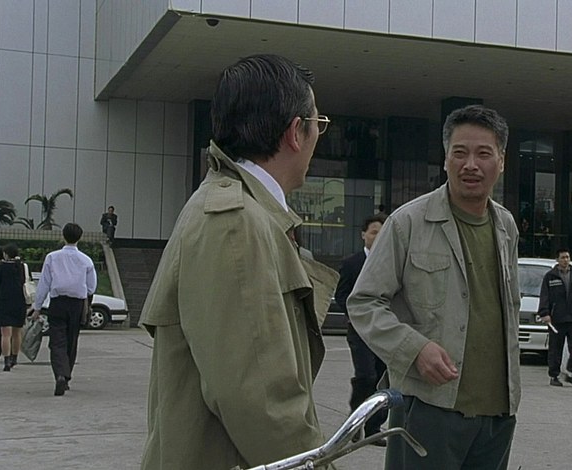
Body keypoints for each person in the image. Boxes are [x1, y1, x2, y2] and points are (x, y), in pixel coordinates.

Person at [138, 54, 338, 470]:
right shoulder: (235, 222)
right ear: (295, 133)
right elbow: (261, 401)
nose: (317, 136)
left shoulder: (244, 211)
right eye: (317, 123)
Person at [348, 105, 521, 470]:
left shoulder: (506, 226)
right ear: (445, 159)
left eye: (483, 154)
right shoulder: (407, 223)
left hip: (497, 414)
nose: (470, 164)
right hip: (429, 407)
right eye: (459, 153)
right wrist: (415, 349)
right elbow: (364, 302)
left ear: (501, 161)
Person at [334, 213, 388, 445]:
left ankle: (374, 427)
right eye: (374, 232)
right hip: (359, 330)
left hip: (385, 330)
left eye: (382, 233)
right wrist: (354, 315)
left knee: (382, 378)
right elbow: (341, 294)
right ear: (363, 234)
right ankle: (354, 421)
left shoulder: (391, 261)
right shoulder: (351, 263)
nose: (378, 237)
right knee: (366, 375)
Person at [29, 224, 97, 394]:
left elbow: (44, 284)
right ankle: (66, 377)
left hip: (58, 302)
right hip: (77, 304)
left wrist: (37, 307)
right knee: (72, 340)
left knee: (57, 341)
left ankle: (60, 373)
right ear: (80, 237)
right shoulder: (86, 260)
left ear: (63, 236)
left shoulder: (52, 257)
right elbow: (91, 287)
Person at [537, 248, 572, 387]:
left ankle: (570, 373)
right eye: (563, 257)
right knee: (555, 349)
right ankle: (554, 376)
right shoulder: (550, 276)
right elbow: (544, 296)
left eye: (567, 257)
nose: (565, 260)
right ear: (557, 260)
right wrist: (545, 313)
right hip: (557, 319)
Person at [0, 244, 27, 371]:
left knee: (5, 334)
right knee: (17, 332)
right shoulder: (21, 267)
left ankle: (6, 361)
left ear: (6, 254)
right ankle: (14, 358)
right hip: (19, 302)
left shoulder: (1, 268)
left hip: (4, 302)